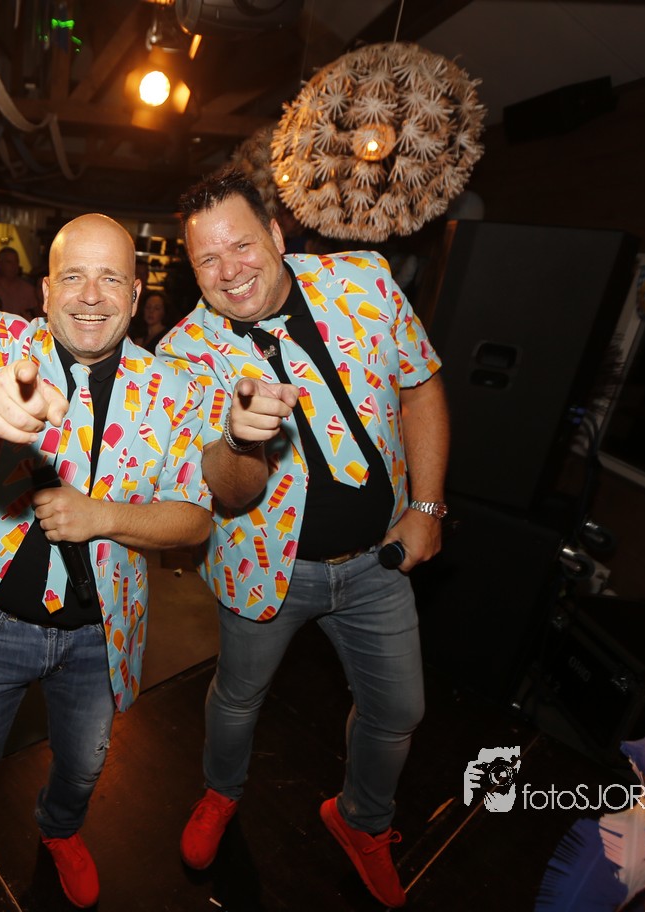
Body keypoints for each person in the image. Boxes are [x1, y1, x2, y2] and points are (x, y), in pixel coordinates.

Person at [0, 213, 212, 912]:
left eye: (111, 279)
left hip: (98, 636)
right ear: (45, 291)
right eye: (73, 276)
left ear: (135, 295)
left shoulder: (174, 390)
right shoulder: (10, 342)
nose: (91, 295)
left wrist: (104, 517)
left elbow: (195, 518)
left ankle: (60, 830)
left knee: (83, 767)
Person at [163, 168, 449, 908]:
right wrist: (240, 440)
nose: (230, 270)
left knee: (399, 712)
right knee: (238, 697)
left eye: (241, 245)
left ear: (275, 233)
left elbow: (420, 386)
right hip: (265, 572)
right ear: (192, 269)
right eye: (207, 259)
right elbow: (229, 493)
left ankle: (362, 820)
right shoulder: (181, 357)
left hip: (380, 561)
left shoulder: (365, 281)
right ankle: (221, 791)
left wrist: (427, 506)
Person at [0, 246, 35, 317]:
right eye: (9, 262)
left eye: (16, 262)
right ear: (0, 264)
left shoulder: (28, 290)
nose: (14, 266)